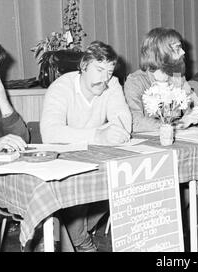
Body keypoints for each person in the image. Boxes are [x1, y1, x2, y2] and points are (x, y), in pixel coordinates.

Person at [40, 41, 132, 252]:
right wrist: (97, 135)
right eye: (99, 70)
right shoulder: (62, 87)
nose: (104, 78)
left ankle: (73, 233)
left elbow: (124, 122)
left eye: (109, 71)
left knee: (125, 177)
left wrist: (116, 130)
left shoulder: (112, 84)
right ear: (83, 66)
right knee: (81, 182)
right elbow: (50, 132)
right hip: (64, 161)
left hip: (95, 157)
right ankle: (79, 240)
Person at [124, 27, 198, 132]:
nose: (183, 52)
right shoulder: (135, 81)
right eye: (177, 48)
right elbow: (135, 122)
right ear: (161, 53)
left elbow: (196, 106)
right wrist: (178, 124)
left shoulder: (178, 77)